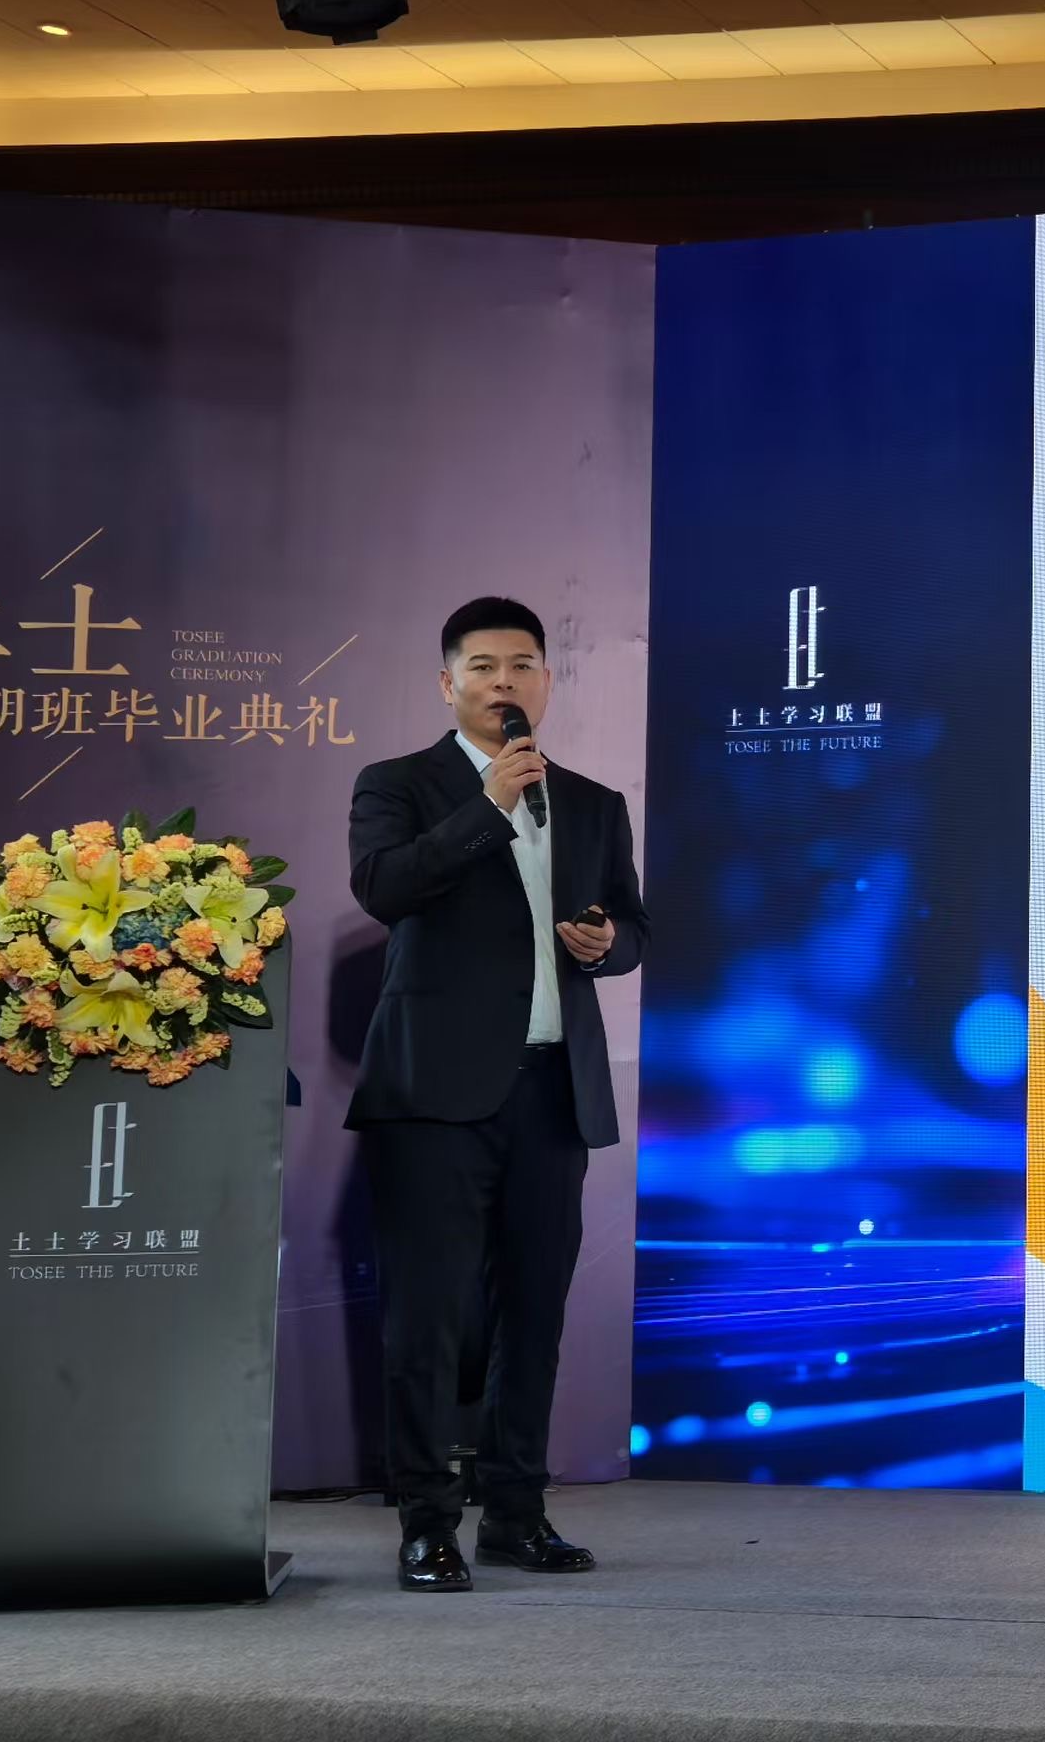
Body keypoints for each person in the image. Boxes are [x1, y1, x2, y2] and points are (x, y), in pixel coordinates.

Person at [345, 596, 647, 1594]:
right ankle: (427, 1521)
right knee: (428, 1317)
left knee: (534, 1311)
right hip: (432, 1096)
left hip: (551, 1090)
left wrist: (608, 942)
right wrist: (488, 808)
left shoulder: (593, 802)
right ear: (448, 684)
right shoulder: (397, 784)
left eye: (522, 665)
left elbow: (634, 926)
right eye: (483, 667)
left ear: (547, 681)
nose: (504, 682)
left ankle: (516, 1512)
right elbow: (384, 888)